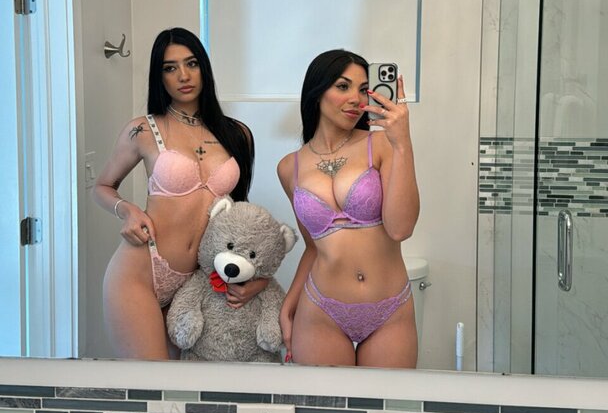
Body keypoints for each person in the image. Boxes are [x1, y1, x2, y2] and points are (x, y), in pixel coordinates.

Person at [94, 27, 265, 360]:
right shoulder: (143, 130)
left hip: (198, 281)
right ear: (159, 77)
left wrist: (254, 278)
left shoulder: (237, 134)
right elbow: (102, 187)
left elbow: (239, 217)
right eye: (170, 68)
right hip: (140, 270)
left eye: (191, 64)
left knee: (187, 380)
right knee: (150, 381)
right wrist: (127, 210)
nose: (183, 76)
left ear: (204, 68)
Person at [277, 49, 419, 368]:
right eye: (343, 86)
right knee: (323, 402)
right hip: (320, 310)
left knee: (386, 401)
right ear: (317, 92)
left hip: (389, 309)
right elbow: (313, 248)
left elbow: (401, 228)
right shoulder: (289, 167)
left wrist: (402, 142)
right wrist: (289, 303)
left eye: (363, 89)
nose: (356, 98)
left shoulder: (381, 144)